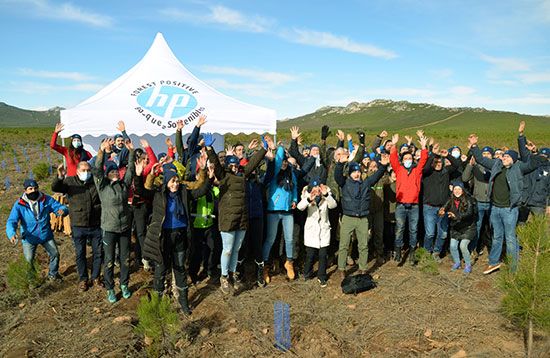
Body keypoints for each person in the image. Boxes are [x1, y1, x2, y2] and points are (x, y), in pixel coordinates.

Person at [135, 156, 206, 315]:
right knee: (160, 270)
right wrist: (140, 175)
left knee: (180, 268)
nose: (175, 184)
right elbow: (140, 191)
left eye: (176, 180)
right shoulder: (158, 195)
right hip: (163, 237)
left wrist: (203, 170)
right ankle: (158, 303)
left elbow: (202, 189)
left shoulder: (183, 193)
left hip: (180, 236)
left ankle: (184, 302)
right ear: (166, 181)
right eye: (172, 181)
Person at [206, 135, 274, 295]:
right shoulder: (223, 176)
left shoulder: (243, 175)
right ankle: (224, 276)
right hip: (228, 219)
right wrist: (210, 149)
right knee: (228, 249)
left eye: (236, 164)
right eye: (232, 165)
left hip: (241, 219)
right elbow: (215, 163)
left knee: (236, 249)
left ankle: (232, 274)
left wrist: (264, 149)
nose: (235, 167)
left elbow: (254, 162)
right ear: (228, 166)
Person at [468, 133, 542, 274]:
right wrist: (474, 145)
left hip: (509, 210)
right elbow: (481, 159)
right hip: (495, 208)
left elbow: (533, 164)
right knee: (497, 237)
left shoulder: (518, 168)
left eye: (507, 156)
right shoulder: (496, 164)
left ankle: (513, 269)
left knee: (510, 238)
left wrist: (534, 152)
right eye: (503, 156)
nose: (504, 158)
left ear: (513, 160)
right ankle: (494, 262)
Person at [334, 150, 390, 278]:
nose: (357, 173)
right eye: (354, 171)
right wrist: (340, 163)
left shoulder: (366, 183)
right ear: (350, 174)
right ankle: (342, 268)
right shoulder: (344, 183)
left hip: (362, 219)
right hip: (348, 218)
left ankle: (363, 269)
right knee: (344, 245)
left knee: (363, 245)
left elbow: (377, 175)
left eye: (358, 171)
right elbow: (337, 176)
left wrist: (383, 166)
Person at [93, 138, 135, 303]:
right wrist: (101, 151)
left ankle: (124, 285)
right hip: (109, 229)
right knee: (109, 261)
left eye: (116, 172)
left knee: (125, 260)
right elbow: (96, 170)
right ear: (107, 174)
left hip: (124, 228)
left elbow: (130, 169)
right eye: (112, 172)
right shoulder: (102, 187)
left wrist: (131, 151)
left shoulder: (124, 185)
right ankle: (110, 288)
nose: (115, 174)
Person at [52, 162, 103, 291]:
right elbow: (55, 188)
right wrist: (60, 176)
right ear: (78, 171)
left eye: (88, 170)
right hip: (78, 224)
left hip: (95, 223)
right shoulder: (70, 182)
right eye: (83, 170)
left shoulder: (95, 182)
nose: (86, 172)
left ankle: (96, 277)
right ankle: (83, 279)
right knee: (80, 253)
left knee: (98, 252)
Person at [6, 179, 68, 281]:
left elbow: (59, 207)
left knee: (55, 254)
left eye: (35, 188)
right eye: (30, 189)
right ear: (25, 190)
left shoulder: (46, 199)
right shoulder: (19, 204)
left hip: (45, 234)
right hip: (29, 237)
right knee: (29, 260)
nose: (33, 191)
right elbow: (11, 221)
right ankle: (32, 280)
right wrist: (11, 233)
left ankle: (53, 274)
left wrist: (62, 211)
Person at [389, 132, 429, 265]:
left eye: (410, 158)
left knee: (413, 229)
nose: (408, 160)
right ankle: (398, 251)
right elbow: (393, 159)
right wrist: (394, 145)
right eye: (405, 158)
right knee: (399, 228)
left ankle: (412, 252)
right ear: (402, 160)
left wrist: (424, 147)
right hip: (401, 205)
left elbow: (423, 160)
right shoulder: (399, 170)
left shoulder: (417, 171)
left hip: (414, 206)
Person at [262, 144, 298, 283]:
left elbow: (294, 188)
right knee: (270, 239)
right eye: (282, 161)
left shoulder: (291, 173)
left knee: (289, 239)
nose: (283, 163)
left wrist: (294, 199)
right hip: (274, 211)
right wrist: (280, 148)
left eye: (285, 161)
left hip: (287, 211)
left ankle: (289, 263)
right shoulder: (274, 173)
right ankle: (265, 265)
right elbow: (277, 160)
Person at [421, 144, 460, 261]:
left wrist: (447, 155)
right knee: (430, 233)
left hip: (443, 208)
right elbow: (426, 166)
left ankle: (436, 252)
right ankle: (426, 252)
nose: (438, 164)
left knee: (443, 234)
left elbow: (456, 164)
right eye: (435, 162)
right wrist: (433, 154)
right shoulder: (427, 173)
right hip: (429, 207)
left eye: (439, 162)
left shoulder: (445, 172)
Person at [297, 180, 337, 287]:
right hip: (311, 231)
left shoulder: (326, 197)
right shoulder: (307, 197)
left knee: (323, 255)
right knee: (310, 255)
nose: (317, 191)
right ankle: (307, 273)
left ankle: (322, 276)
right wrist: (309, 199)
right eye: (314, 188)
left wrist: (326, 195)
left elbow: (333, 205)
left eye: (318, 188)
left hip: (324, 230)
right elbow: (300, 207)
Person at [439, 181, 477, 274]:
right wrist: (442, 211)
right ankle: (457, 262)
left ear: (463, 190)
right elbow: (445, 207)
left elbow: (469, 214)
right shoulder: (451, 199)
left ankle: (468, 265)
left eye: (459, 189)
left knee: (463, 246)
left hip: (468, 227)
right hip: (456, 227)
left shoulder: (469, 200)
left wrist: (455, 216)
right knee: (452, 246)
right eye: (455, 189)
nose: (457, 191)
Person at [462, 146, 493, 255]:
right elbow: (465, 178)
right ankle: (472, 250)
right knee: (477, 227)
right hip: (478, 201)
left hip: (492, 203)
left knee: (492, 228)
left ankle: (492, 252)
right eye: (483, 154)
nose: (486, 156)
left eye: (488, 154)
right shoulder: (476, 167)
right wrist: (470, 165)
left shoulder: (495, 167)